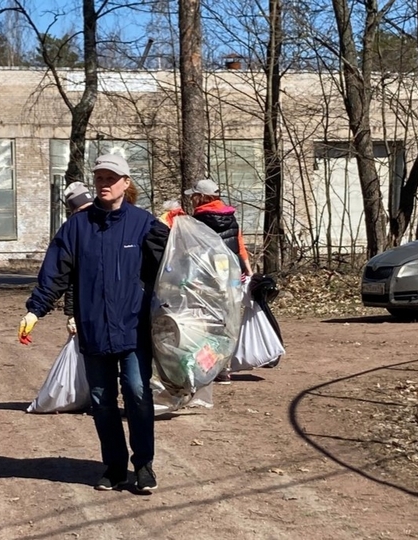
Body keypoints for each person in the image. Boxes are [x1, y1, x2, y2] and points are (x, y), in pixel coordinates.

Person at [19, 154, 169, 493]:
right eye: (99, 177)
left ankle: (144, 465)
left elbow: (173, 267)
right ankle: (115, 467)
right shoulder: (76, 227)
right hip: (93, 327)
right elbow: (55, 273)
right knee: (101, 399)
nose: (104, 183)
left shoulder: (144, 224)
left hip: (133, 328)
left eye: (111, 178)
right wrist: (35, 311)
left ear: (126, 183)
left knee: (137, 392)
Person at [186, 178, 253, 384]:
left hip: (209, 280)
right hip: (233, 278)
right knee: (227, 323)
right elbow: (240, 247)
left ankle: (209, 367)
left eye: (194, 196)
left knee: (205, 324)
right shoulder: (231, 217)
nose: (192, 200)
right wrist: (248, 273)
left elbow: (194, 252)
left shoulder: (197, 221)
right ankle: (225, 369)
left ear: (202, 197)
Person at [60, 181, 93, 336]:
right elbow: (71, 277)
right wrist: (72, 313)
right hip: (86, 309)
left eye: (90, 208)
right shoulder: (73, 234)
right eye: (82, 211)